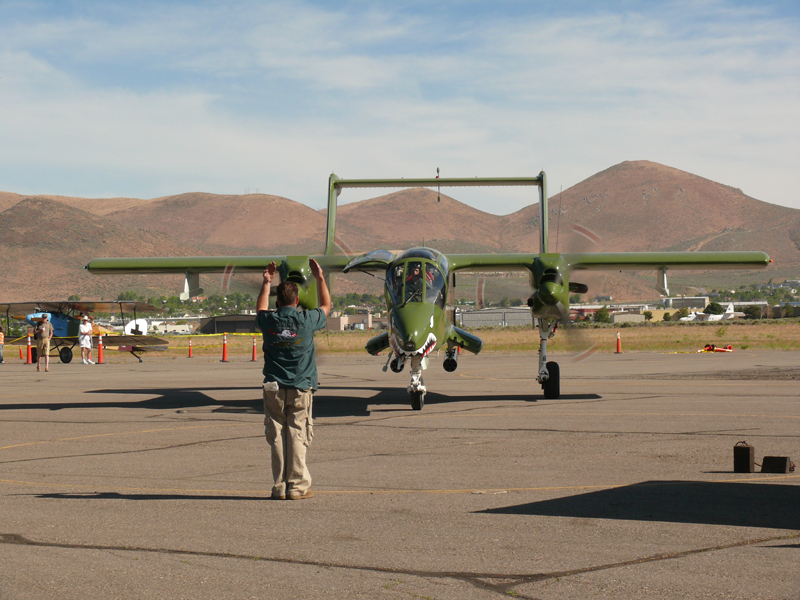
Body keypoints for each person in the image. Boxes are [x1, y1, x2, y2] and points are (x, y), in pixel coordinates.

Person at [256, 258, 331, 500]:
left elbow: (260, 310)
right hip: (301, 387)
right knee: (298, 434)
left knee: (277, 436)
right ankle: (297, 487)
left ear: (277, 301)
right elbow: (327, 306)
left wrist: (266, 283)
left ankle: (279, 487)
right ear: (297, 300)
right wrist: (320, 278)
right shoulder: (307, 320)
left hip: (273, 388)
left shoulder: (269, 321)